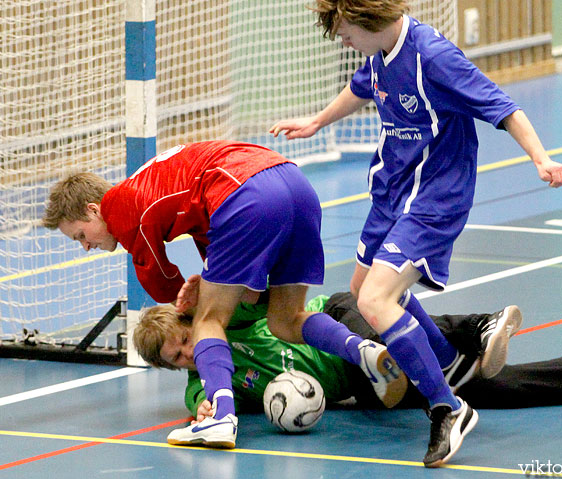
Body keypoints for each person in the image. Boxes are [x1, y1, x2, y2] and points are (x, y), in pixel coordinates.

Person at [270, 0, 562, 466]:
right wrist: (318, 120)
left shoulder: (433, 57)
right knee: (364, 289)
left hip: (434, 196)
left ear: (368, 19)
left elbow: (503, 107)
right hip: (391, 191)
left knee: (376, 299)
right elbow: (362, 87)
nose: (341, 39)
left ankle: (448, 407)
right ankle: (451, 362)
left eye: (344, 30)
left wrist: (541, 158)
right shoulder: (378, 53)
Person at [41, 140, 410, 449]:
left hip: (244, 192)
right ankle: (362, 350)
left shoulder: (120, 206)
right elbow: (217, 252)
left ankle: (220, 417)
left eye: (80, 236)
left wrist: (185, 301)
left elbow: (157, 278)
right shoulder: (157, 186)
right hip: (292, 182)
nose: (86, 246)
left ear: (93, 210)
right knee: (285, 319)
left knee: (207, 321)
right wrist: (219, 286)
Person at [134, 291, 562, 430]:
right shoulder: (201, 389)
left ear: (191, 323)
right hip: (359, 385)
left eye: (182, 339)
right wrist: (206, 414)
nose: (186, 353)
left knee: (379, 324)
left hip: (343, 318)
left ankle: (475, 329)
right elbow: (213, 412)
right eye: (174, 357)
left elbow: (253, 290)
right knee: (498, 390)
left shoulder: (227, 320)